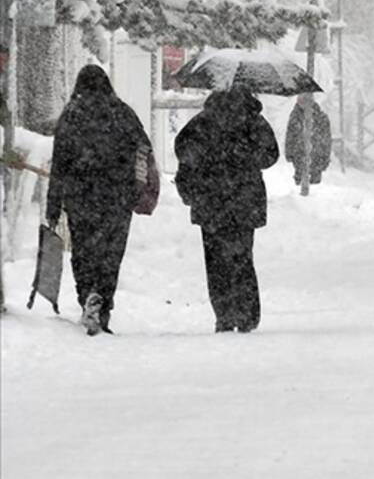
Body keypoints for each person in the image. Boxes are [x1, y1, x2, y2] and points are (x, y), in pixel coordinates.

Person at [45, 64, 152, 336]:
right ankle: (103, 303)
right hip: (117, 196)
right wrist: (136, 185)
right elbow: (143, 147)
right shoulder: (122, 112)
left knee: (83, 251)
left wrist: (53, 203)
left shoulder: (71, 115)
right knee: (110, 254)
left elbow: (59, 162)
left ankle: (87, 296)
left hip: (80, 196)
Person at [175, 86, 279, 333]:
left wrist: (203, 169)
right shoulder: (254, 121)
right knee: (242, 257)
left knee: (215, 261)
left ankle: (224, 314)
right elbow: (271, 156)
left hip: (211, 200)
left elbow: (182, 149)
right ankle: (247, 314)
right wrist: (243, 157)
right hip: (244, 200)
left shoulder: (203, 121)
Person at [284, 94, 332, 186]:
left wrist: (325, 158)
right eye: (300, 99)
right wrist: (289, 153)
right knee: (300, 186)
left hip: (316, 158)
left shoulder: (321, 117)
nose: (301, 102)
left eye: (305, 99)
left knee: (315, 189)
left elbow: (327, 140)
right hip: (299, 157)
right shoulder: (295, 116)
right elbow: (290, 135)